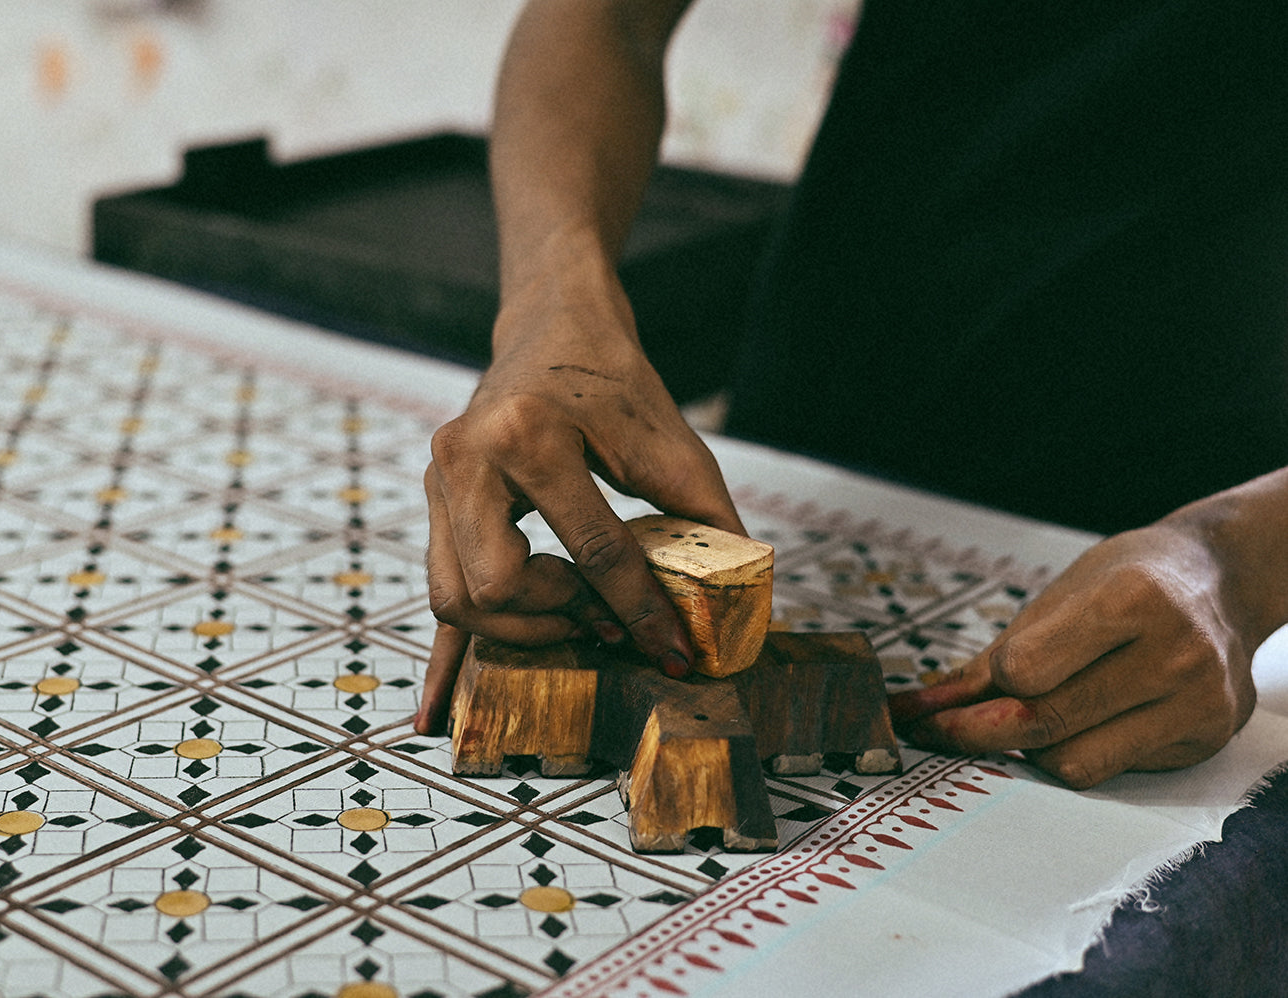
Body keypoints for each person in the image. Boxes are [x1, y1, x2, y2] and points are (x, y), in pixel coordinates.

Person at [413, 0, 1288, 790]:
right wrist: (547, 302)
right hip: (832, 368)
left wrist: (1239, 564)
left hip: (1174, 504)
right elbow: (609, 16)